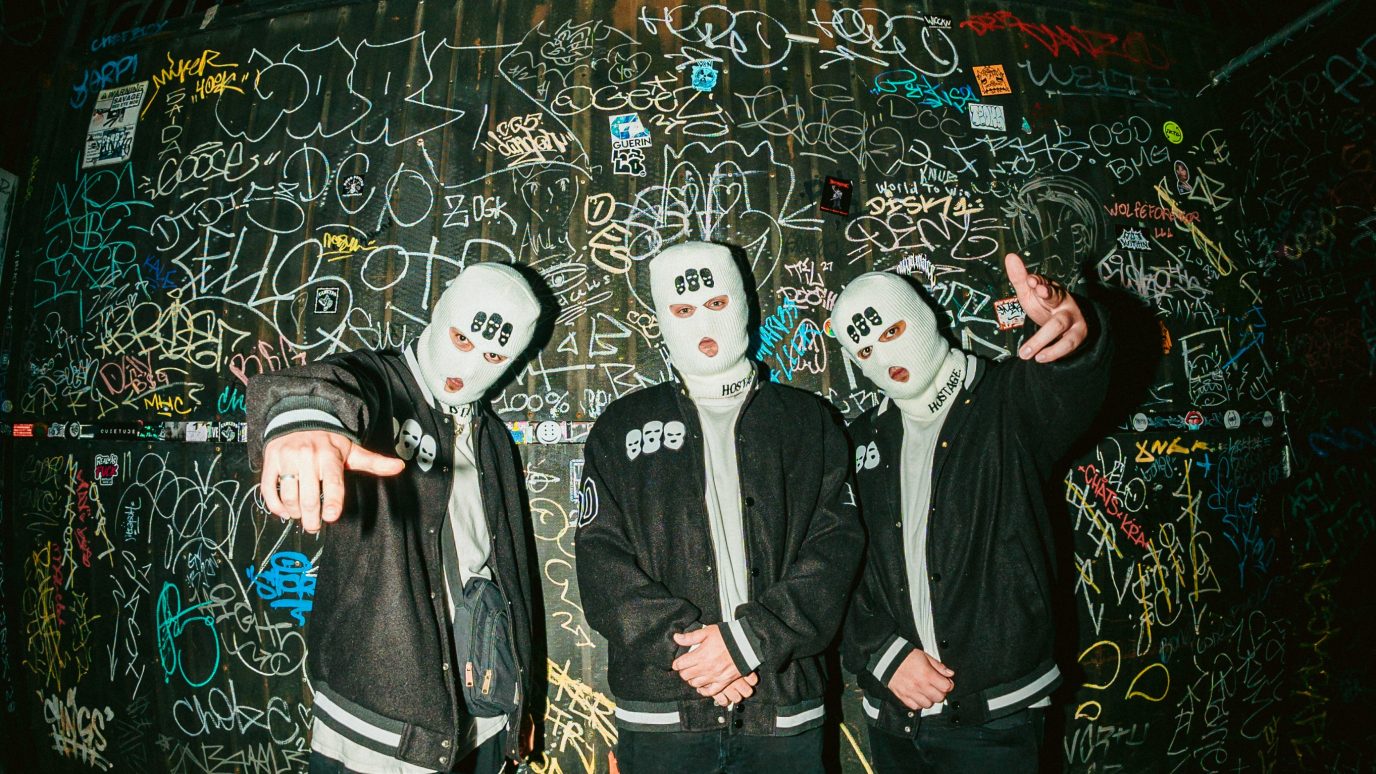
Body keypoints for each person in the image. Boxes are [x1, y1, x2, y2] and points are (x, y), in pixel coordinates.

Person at [574, 241, 863, 773]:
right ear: (663, 318)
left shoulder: (807, 421)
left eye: (715, 303)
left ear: (743, 305)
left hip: (783, 706)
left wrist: (749, 641)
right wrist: (688, 651)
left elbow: (836, 550)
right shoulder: (622, 425)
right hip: (663, 712)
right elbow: (600, 561)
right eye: (683, 309)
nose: (702, 323)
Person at [247, 263, 543, 774]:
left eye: (493, 356)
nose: (468, 365)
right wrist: (304, 420)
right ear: (441, 311)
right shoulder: (384, 384)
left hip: (485, 716)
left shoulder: (492, 436)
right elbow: (333, 384)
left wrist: (520, 699)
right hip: (382, 728)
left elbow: (513, 574)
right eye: (461, 337)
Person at [835, 253, 1112, 773]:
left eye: (892, 331)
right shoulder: (859, 441)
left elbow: (1070, 381)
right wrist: (882, 655)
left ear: (923, 318)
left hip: (996, 717)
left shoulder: (1006, 400)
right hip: (893, 715)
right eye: (866, 349)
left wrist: (1080, 332)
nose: (885, 356)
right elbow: (839, 565)